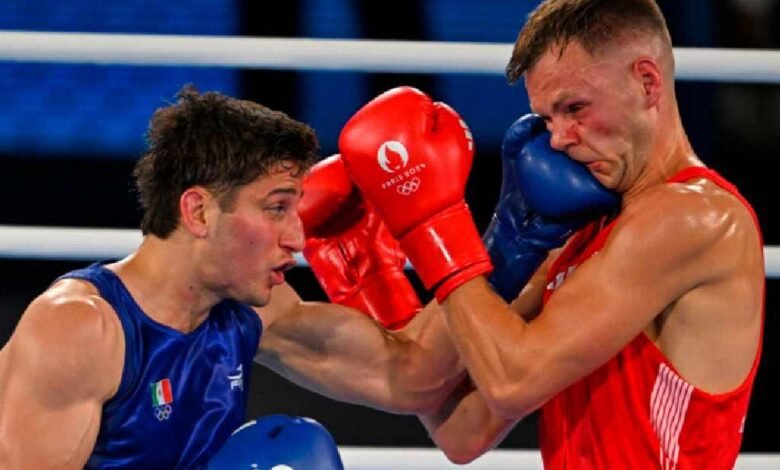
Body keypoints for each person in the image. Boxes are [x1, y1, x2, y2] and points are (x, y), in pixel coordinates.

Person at [336, 0, 765, 468]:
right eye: (546, 118)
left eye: (575, 108)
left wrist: (436, 222)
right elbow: (462, 431)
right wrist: (377, 278)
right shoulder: (584, 232)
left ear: (647, 81)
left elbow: (513, 381)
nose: (558, 138)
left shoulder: (692, 218)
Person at [0, 85, 464, 468]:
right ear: (199, 211)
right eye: (277, 208)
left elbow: (411, 376)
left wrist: (511, 239)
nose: (298, 240)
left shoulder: (250, 314)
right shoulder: (79, 331)